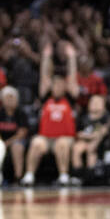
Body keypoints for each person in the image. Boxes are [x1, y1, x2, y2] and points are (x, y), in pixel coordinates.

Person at [22, 42, 78, 186]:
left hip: (65, 138)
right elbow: (44, 77)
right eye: (55, 84)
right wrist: (46, 57)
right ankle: (29, 175)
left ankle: (64, 176)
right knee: (35, 142)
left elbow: (72, 77)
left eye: (60, 84)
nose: (57, 87)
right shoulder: (46, 97)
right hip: (46, 138)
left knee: (62, 144)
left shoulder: (70, 98)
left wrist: (71, 57)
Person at [0, 86, 31, 183]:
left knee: (17, 146)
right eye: (7, 97)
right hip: (2, 140)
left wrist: (8, 142)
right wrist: (0, 141)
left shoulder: (20, 113)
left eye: (12, 97)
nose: (10, 100)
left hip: (16, 140)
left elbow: (22, 132)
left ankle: (18, 177)